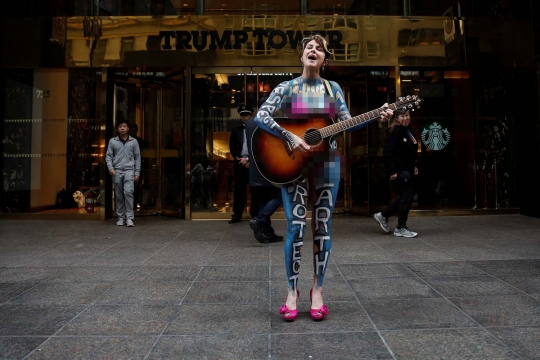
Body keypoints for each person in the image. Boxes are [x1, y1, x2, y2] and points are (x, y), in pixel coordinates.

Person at [254, 34, 393, 321]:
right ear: (301, 56)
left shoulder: (333, 89)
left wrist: (377, 114)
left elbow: (346, 122)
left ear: (325, 60)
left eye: (319, 49)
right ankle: (291, 292)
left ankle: (317, 290)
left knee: (323, 228)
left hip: (327, 164)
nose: (313, 51)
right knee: (295, 227)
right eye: (309, 47)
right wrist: (289, 136)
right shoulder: (286, 87)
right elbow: (261, 116)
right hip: (294, 166)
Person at [373, 109, 419, 238]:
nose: (406, 118)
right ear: (397, 118)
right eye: (403, 116)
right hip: (400, 170)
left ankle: (384, 215)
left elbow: (410, 151)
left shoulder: (408, 130)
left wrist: (413, 165)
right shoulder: (395, 131)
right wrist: (391, 171)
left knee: (406, 196)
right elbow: (388, 152)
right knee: (406, 196)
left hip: (407, 169)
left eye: (407, 115)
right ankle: (400, 227)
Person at [246, 97, 284, 244]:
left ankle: (267, 233)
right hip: (269, 168)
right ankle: (260, 219)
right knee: (280, 195)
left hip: (254, 170)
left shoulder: (249, 123)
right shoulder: (270, 123)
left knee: (262, 201)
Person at [106, 119, 141, 227]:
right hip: (117, 170)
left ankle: (129, 218)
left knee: (128, 192)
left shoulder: (133, 142)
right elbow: (108, 156)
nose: (122, 128)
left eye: (124, 126)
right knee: (119, 195)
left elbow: (137, 158)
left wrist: (137, 172)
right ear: (117, 129)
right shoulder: (112, 141)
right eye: (120, 126)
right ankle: (121, 217)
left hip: (129, 170)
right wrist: (110, 168)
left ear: (128, 128)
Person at [228, 104, 253, 223]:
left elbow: (258, 148)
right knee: (239, 190)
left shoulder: (256, 129)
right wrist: (240, 159)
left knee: (255, 190)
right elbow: (232, 148)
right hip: (239, 164)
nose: (244, 117)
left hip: (253, 164)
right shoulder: (236, 131)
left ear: (251, 115)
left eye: (246, 115)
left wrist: (248, 159)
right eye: (242, 115)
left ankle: (256, 214)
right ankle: (237, 214)